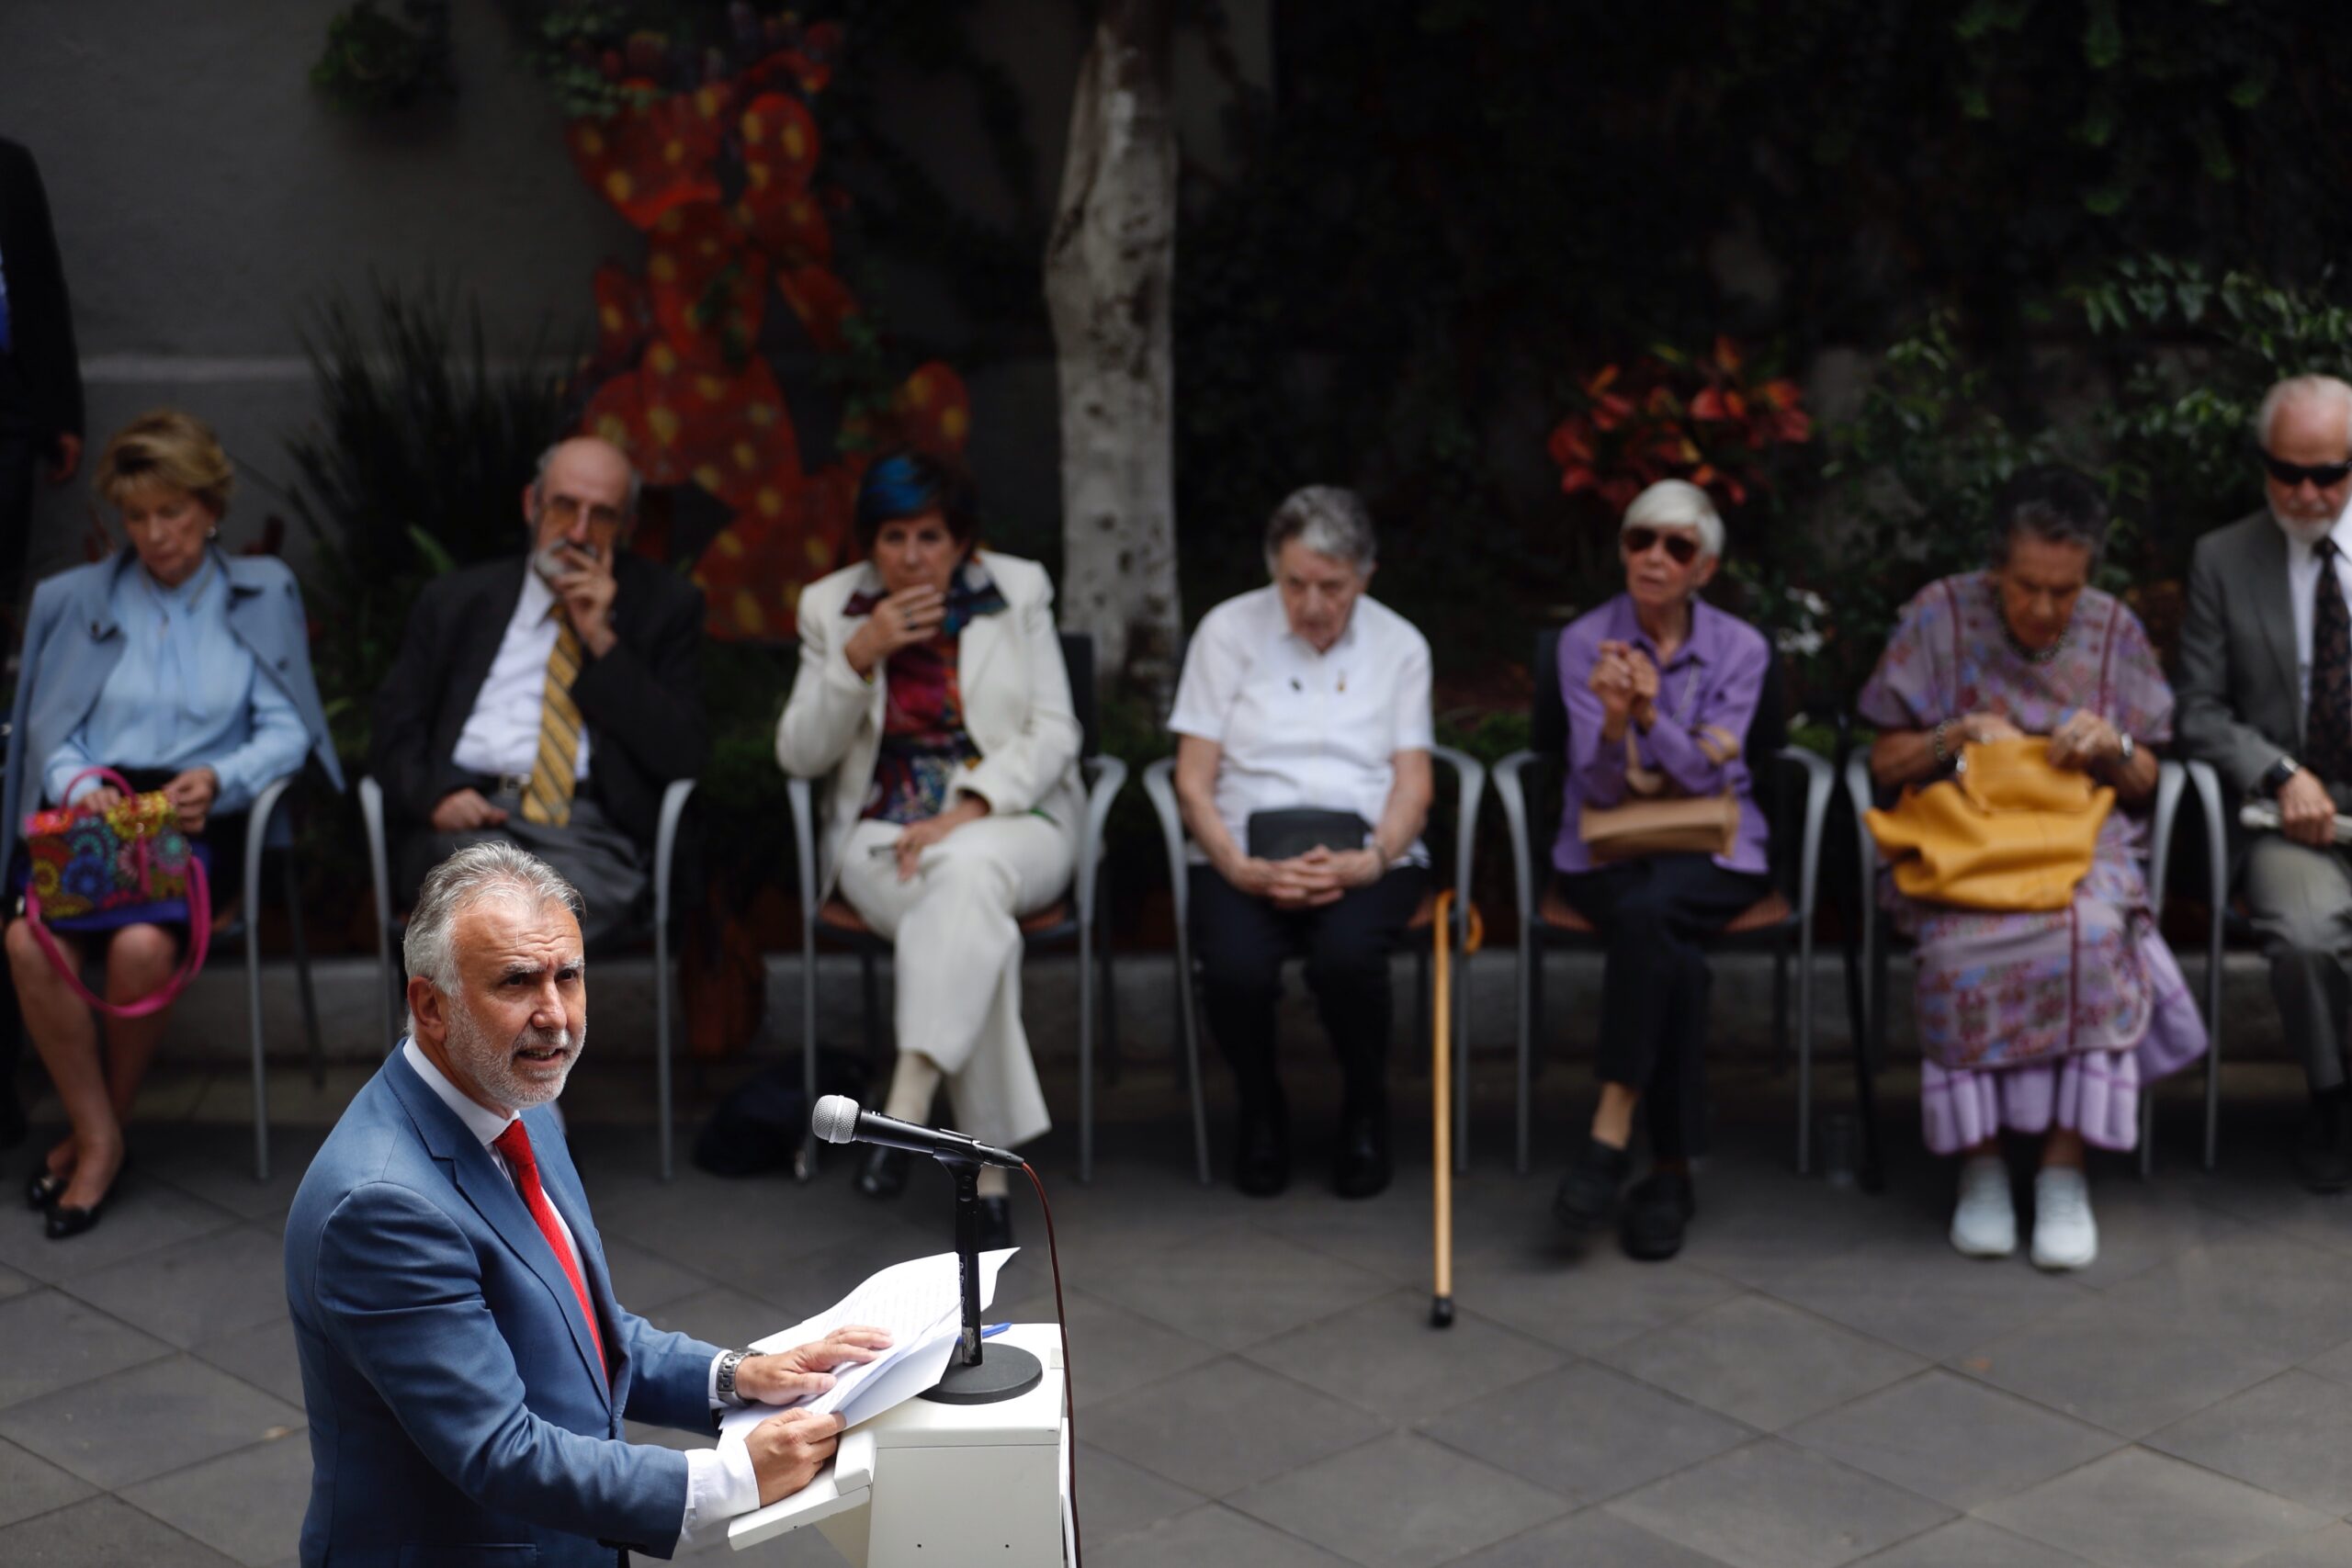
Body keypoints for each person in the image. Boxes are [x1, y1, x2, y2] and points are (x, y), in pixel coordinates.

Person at [286, 843, 888, 1566]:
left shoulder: (520, 1099)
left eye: (567, 976)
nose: (555, 1016)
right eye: (517, 982)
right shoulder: (381, 1207)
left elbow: (575, 1329)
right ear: (430, 1005)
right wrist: (736, 1476)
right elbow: (500, 1449)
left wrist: (739, 1375)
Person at [3, 411, 342, 1238]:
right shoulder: (72, 599)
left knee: (141, 948)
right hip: (96, 811)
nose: (154, 535)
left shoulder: (262, 593)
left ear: (210, 506)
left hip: (198, 817)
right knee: (23, 942)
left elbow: (286, 726)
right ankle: (102, 1134)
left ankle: (94, 1138)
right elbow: (52, 727)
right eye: (137, 516)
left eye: (173, 514)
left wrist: (221, 779)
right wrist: (79, 783)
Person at [1859, 467, 2207, 1269]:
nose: (2045, 608)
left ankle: (2062, 1166)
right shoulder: (1938, 615)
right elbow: (1884, 762)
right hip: (1966, 842)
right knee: (1953, 941)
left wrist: (2111, 745)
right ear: (1995, 570)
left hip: (2084, 841)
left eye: (2064, 590)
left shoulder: (2113, 630)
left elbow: (2150, 777)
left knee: (2092, 930)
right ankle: (1978, 1164)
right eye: (2027, 586)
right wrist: (1955, 736)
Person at [776, 451, 1081, 1246]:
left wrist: (974, 806)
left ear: (963, 542)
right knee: (975, 919)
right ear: (869, 543)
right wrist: (858, 654)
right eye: (893, 536)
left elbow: (1056, 729)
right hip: (883, 837)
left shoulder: (1017, 590)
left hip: (1015, 820)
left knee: (970, 869)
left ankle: (906, 1106)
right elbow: (799, 755)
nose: (912, 556)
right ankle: (985, 1172)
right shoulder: (831, 606)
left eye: (931, 536)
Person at [1170, 486, 1433, 1200]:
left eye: (1332, 586)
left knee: (1348, 959)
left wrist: (1372, 857)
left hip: (1368, 849)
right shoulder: (1227, 632)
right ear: (1273, 571)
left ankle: (1364, 1107)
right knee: (1233, 969)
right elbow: (1193, 778)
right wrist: (1236, 864)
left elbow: (1413, 780)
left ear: (1365, 575)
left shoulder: (1401, 644)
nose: (1312, 603)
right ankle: (1260, 1107)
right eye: (1295, 584)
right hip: (1243, 847)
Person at [1546, 479, 1773, 1261]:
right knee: (1666, 945)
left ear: (1703, 568)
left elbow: (1710, 776)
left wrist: (1651, 717)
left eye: (1677, 546)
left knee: (1653, 922)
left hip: (1713, 845)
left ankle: (1611, 1131)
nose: (1654, 558)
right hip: (1609, 844)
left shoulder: (1741, 648)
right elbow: (1598, 786)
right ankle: (1670, 1172)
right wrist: (1614, 722)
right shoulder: (1585, 643)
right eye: (1641, 539)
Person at [371, 435, 706, 953]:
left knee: (490, 937)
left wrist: (601, 640)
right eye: (565, 506)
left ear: (628, 528)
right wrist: (435, 795)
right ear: (533, 505)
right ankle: (520, 1026)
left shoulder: (664, 607)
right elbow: (393, 729)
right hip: (469, 820)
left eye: (602, 516)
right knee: (500, 918)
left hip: (589, 835)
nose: (577, 532)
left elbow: (682, 754)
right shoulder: (456, 603)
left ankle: (462, 1031)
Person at [2177, 374, 2352, 1192]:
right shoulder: (2224, 557)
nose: (2308, 493)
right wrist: (2282, 773)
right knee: (2307, 938)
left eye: (2329, 474)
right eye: (2289, 472)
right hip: (2286, 815)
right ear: (2263, 463)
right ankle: (2332, 1098)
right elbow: (2199, 709)